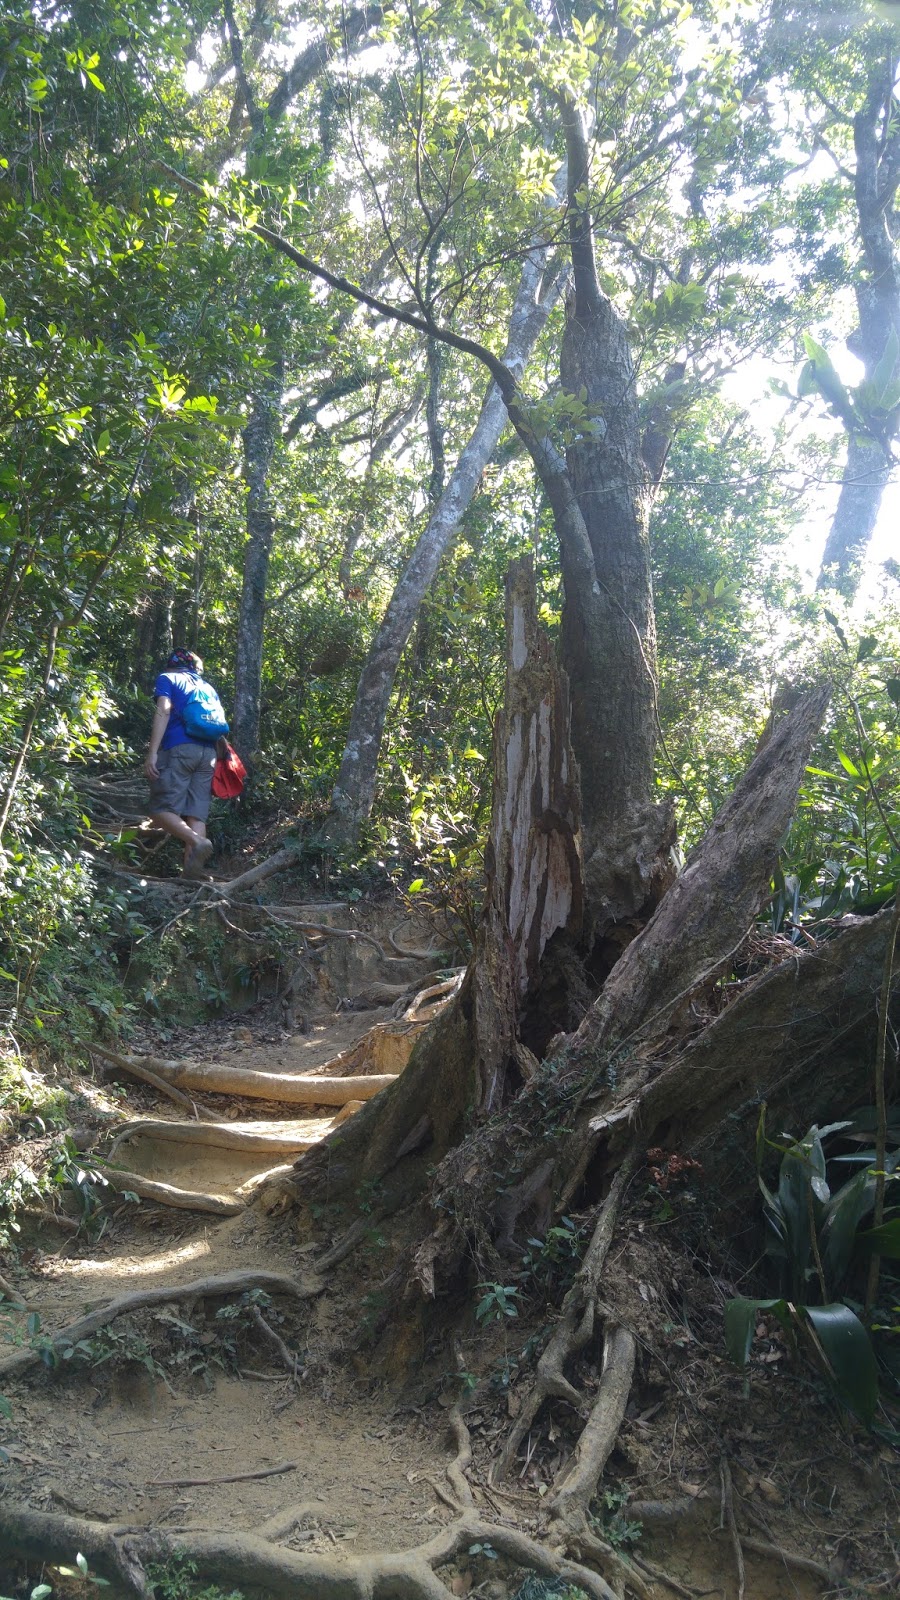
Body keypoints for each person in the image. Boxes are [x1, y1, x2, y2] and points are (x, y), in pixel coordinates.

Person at [144, 648, 228, 877]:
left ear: (171, 665)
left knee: (159, 809)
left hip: (180, 749)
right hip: (208, 754)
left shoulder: (168, 678)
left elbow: (163, 710)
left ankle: (197, 841)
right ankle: (191, 876)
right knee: (196, 815)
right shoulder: (207, 687)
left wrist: (152, 752)